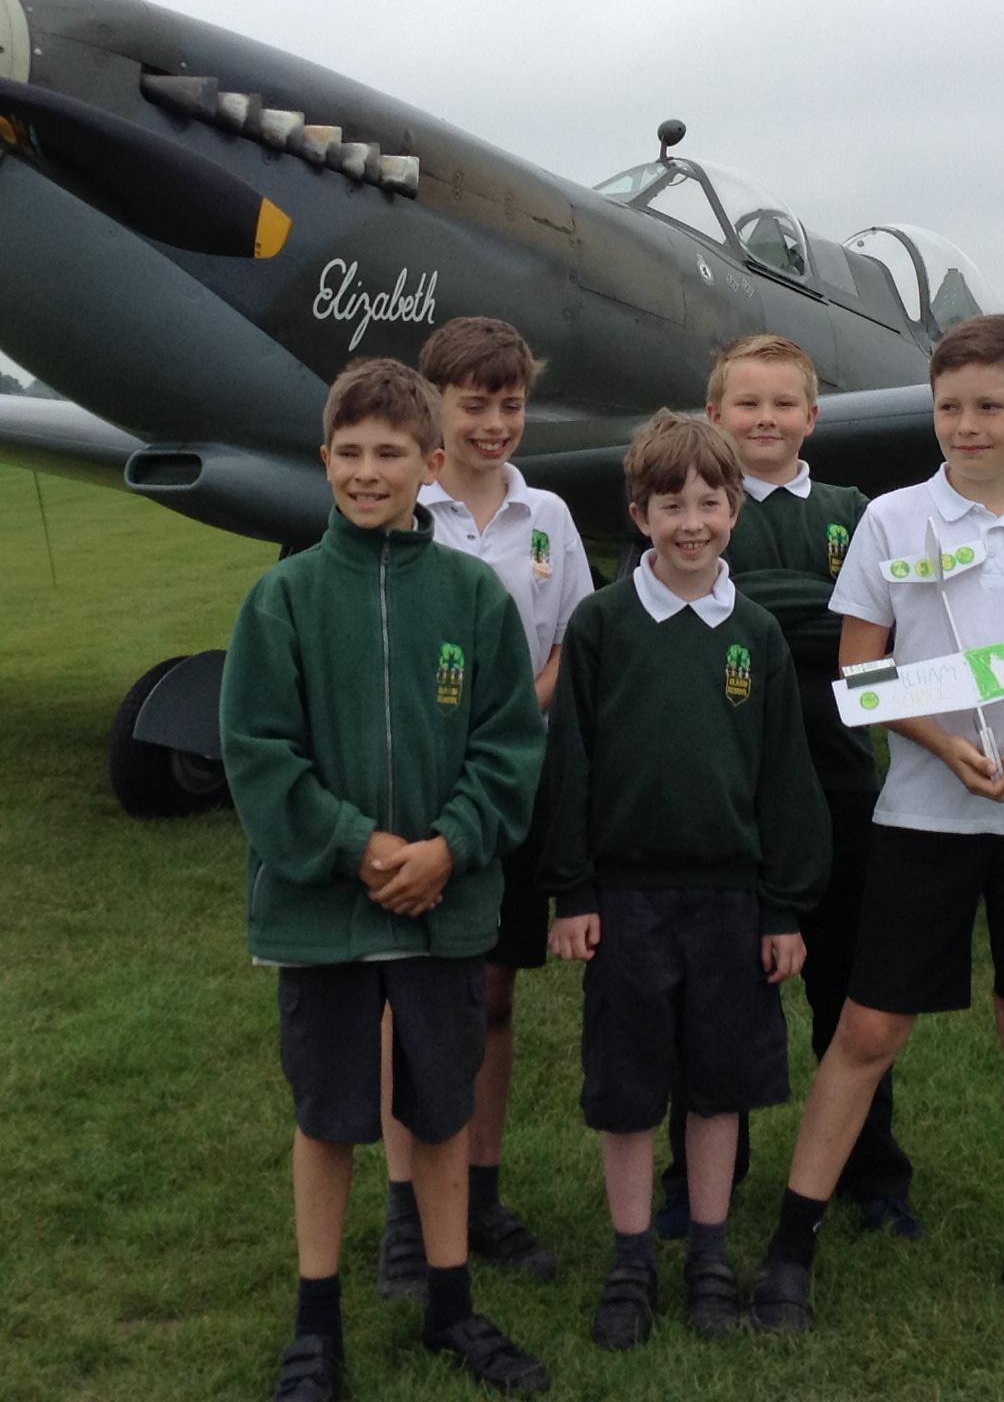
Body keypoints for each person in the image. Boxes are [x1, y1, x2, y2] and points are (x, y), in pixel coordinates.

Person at [750, 314, 1004, 1337]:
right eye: (948, 408)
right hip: (925, 814)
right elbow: (859, 669)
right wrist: (941, 743)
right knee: (871, 1025)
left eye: (989, 407)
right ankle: (791, 1246)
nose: (965, 426)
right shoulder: (893, 520)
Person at [220, 358, 552, 1400]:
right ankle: (316, 1324)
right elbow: (259, 754)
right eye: (351, 454)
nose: (369, 473)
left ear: (431, 465)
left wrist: (449, 846)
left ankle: (452, 1305)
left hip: (444, 908)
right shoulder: (282, 598)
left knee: (442, 1109)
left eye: (392, 454)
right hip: (324, 913)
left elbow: (509, 746)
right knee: (327, 1116)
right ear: (325, 461)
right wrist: (359, 847)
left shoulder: (473, 596)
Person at [541, 412, 830, 1349]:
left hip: (731, 902)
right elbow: (572, 763)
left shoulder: (756, 634)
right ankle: (632, 1259)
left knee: (718, 1084)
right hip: (626, 901)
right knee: (627, 1086)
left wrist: (782, 907)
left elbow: (784, 777)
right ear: (640, 515)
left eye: (709, 504)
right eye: (671, 506)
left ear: (735, 511)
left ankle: (709, 1252)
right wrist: (574, 891)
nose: (692, 523)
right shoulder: (600, 625)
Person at [648, 335, 920, 1239]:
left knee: (850, 992)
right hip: (725, 789)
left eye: (783, 404)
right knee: (714, 992)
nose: (765, 419)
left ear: (813, 415)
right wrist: (825, 611)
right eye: (747, 403)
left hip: (841, 784)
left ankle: (870, 1172)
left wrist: (763, 605)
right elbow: (693, 621)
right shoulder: (699, 506)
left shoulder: (855, 511)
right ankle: (697, 1179)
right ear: (714, 413)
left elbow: (882, 632)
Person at [376, 317, 591, 1298]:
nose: (495, 423)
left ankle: (481, 1195)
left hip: (515, 787)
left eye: (511, 404)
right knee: (413, 998)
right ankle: (404, 1214)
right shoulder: (402, 505)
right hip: (419, 787)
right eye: (474, 404)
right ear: (435, 404)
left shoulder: (548, 515)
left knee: (494, 995)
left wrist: (506, 721)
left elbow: (569, 644)